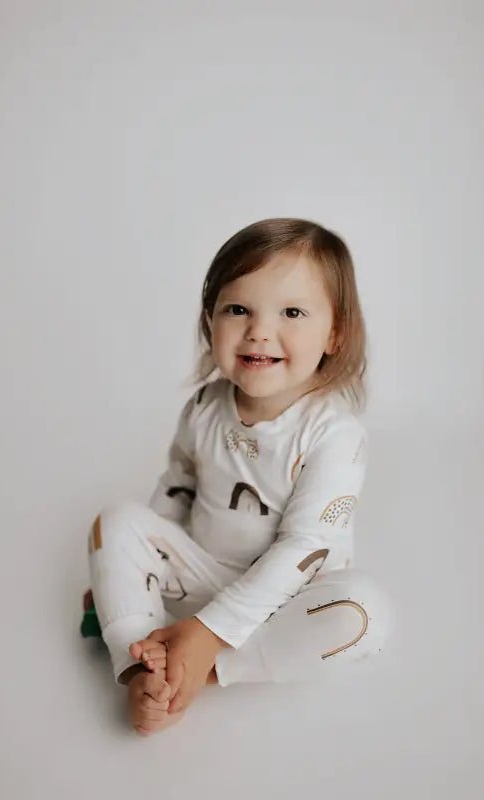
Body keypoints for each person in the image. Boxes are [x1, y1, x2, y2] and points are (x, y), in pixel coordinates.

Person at [84, 217, 396, 737]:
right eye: (238, 309)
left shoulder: (334, 434)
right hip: (200, 576)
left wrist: (210, 633)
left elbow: (306, 546)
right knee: (114, 522)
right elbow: (176, 489)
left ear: (335, 333)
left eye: (291, 312)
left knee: (364, 613)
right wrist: (129, 573)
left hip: (285, 600)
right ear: (210, 320)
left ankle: (201, 668)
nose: (259, 331)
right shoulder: (205, 407)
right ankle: (142, 661)